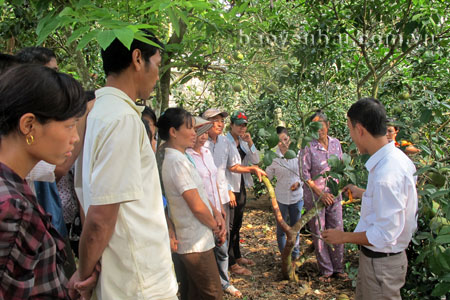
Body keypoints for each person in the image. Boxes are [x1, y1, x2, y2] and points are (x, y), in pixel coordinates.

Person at [78, 32, 178, 299]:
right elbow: (101, 216)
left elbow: (87, 198)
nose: (157, 74)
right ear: (137, 59)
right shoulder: (122, 119)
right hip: (138, 281)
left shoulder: (98, 113)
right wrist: (83, 274)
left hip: (123, 275)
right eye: (157, 63)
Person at [0, 64, 98, 299]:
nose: (75, 138)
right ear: (29, 125)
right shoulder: (11, 207)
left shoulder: (16, 185)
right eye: (70, 125)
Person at [322, 98, 418, 300]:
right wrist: (364, 192)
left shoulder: (386, 174)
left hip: (382, 264)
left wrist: (343, 237)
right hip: (378, 261)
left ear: (360, 130)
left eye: (350, 130)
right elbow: (396, 202)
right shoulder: (395, 161)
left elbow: (384, 234)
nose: (351, 136)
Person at [158, 108, 225, 300]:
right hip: (195, 242)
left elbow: (200, 194)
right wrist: (215, 227)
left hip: (197, 238)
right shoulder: (176, 162)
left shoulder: (181, 158)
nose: (195, 133)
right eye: (190, 128)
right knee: (213, 293)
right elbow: (195, 205)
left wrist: (215, 214)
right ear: (173, 132)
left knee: (196, 293)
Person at [186, 117, 243, 298]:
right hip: (202, 210)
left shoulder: (207, 152)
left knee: (222, 247)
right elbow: (197, 189)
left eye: (204, 133)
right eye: (199, 132)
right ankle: (211, 284)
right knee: (207, 249)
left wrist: (220, 206)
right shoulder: (186, 156)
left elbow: (215, 180)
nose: (202, 137)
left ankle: (224, 282)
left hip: (217, 207)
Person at [299, 111, 346, 282]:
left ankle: (339, 268)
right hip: (316, 197)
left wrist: (339, 188)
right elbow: (305, 175)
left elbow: (340, 168)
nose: (319, 130)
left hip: (335, 195)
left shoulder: (336, 144)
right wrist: (321, 194)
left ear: (328, 125)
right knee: (320, 232)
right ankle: (326, 270)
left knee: (337, 229)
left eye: (321, 126)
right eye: (314, 127)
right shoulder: (308, 147)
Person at [226, 110, 266, 275]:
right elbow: (224, 168)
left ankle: (237, 256)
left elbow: (256, 160)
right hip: (229, 187)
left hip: (240, 186)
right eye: (238, 125)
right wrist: (227, 189)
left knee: (237, 224)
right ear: (231, 125)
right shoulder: (224, 142)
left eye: (244, 125)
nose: (242, 128)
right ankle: (230, 263)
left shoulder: (242, 142)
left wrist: (250, 143)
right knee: (229, 225)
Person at [266, 126, 303, 260]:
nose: (284, 143)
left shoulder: (297, 154)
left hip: (297, 197)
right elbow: (267, 176)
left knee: (295, 227)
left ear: (290, 139)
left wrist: (299, 183)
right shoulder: (274, 158)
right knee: (281, 229)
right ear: (276, 142)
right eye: (280, 141)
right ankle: (284, 257)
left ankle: (295, 255)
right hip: (281, 197)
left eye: (286, 139)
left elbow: (304, 173)